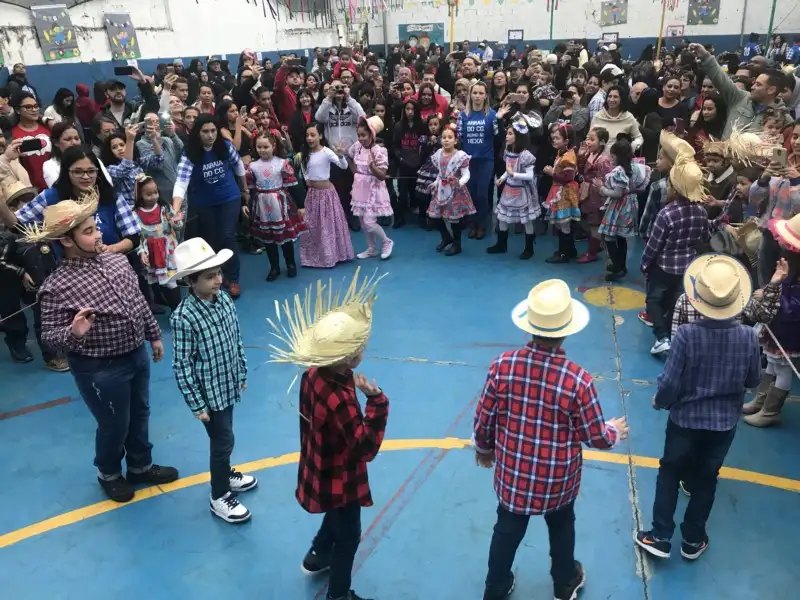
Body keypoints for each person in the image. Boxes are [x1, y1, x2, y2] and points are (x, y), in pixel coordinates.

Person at [475, 278, 628, 600]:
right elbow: (595, 436)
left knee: (507, 529)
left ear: (529, 326)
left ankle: (495, 586)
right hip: (558, 479)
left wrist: (484, 449)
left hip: (513, 474)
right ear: (566, 330)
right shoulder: (578, 381)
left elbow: (484, 417)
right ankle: (564, 582)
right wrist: (614, 430)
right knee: (561, 525)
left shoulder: (502, 367)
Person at [32, 190, 178, 502]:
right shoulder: (56, 286)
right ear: (66, 240)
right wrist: (73, 332)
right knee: (114, 424)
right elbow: (49, 337)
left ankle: (140, 466)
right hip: (99, 368)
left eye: (96, 227)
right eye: (88, 232)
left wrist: (153, 334)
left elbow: (138, 301)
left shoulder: (117, 261)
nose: (98, 235)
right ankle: (109, 473)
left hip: (135, 354)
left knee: (140, 413)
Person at [268, 268, 389, 600]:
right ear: (349, 357)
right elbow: (364, 447)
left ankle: (318, 554)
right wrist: (377, 402)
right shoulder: (340, 397)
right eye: (360, 345)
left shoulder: (313, 375)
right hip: (341, 475)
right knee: (349, 535)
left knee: (337, 513)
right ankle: (338, 595)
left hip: (319, 465)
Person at [636, 254, 760, 560]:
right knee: (706, 478)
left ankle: (660, 536)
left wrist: (659, 402)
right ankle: (693, 539)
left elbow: (670, 382)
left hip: (685, 420)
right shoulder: (748, 337)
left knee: (669, 471)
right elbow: (753, 380)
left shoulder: (686, 335)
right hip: (724, 424)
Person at [170, 237, 257, 523]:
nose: (219, 280)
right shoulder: (183, 317)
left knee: (224, 438)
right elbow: (182, 364)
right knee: (222, 441)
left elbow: (236, 338)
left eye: (218, 273)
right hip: (209, 395)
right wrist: (197, 404)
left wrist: (241, 371)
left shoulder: (224, 300)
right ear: (190, 281)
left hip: (227, 384)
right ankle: (219, 495)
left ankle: (225, 473)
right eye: (209, 277)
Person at [245, 132, 306, 281]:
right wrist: (246, 204)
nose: (262, 150)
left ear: (273, 146)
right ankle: (274, 267)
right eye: (259, 147)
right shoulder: (252, 166)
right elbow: (250, 189)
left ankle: (290, 264)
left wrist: (301, 205)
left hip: (280, 204)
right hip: (262, 205)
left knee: (285, 237)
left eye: (265, 147)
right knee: (268, 239)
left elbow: (294, 185)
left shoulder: (282, 163)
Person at [486, 120, 539, 258]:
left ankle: (529, 248)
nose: (507, 136)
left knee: (526, 219)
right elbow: (508, 169)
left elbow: (530, 175)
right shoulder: (508, 152)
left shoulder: (525, 155)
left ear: (518, 136)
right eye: (507, 133)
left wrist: (512, 174)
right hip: (509, 190)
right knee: (502, 217)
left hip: (522, 192)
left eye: (510, 134)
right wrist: (503, 178)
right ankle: (501, 244)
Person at [347, 116, 394, 260]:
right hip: (360, 188)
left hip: (373, 190)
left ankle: (386, 241)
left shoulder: (379, 151)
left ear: (371, 135)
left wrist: (372, 167)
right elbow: (349, 157)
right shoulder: (357, 147)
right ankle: (372, 248)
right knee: (363, 221)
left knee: (369, 222)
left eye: (364, 135)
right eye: (359, 135)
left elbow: (382, 175)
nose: (360, 138)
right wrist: (356, 173)